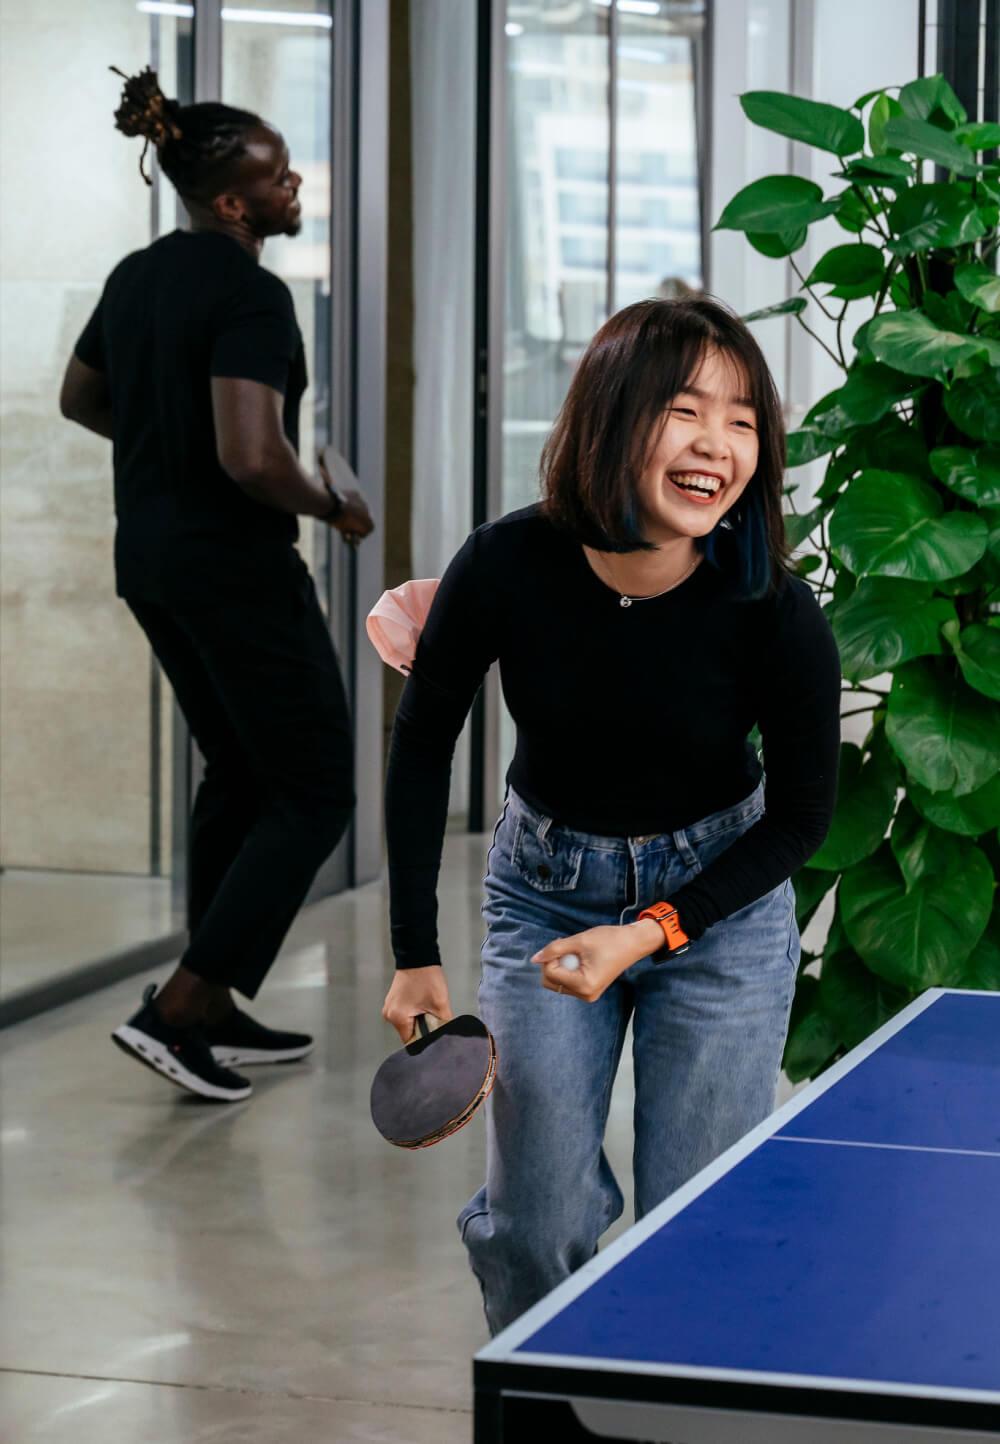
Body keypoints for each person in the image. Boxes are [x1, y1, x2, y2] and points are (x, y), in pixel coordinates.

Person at [380, 296, 841, 1335]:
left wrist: (652, 928)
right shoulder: (503, 565)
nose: (717, 444)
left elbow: (802, 814)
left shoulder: (772, 605)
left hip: (715, 912)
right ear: (611, 417)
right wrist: (414, 951)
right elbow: (421, 745)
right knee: (534, 1221)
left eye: (742, 420)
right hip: (545, 894)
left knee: (697, 1218)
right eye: (685, 410)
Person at [60, 67, 373, 1104]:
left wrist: (169, 450)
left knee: (239, 774)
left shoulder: (138, 275)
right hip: (234, 565)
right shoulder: (249, 292)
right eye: (278, 178)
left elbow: (83, 396)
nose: (295, 189)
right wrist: (332, 504)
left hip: (150, 558)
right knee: (317, 784)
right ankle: (182, 1006)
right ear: (231, 201)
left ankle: (214, 999)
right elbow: (251, 455)